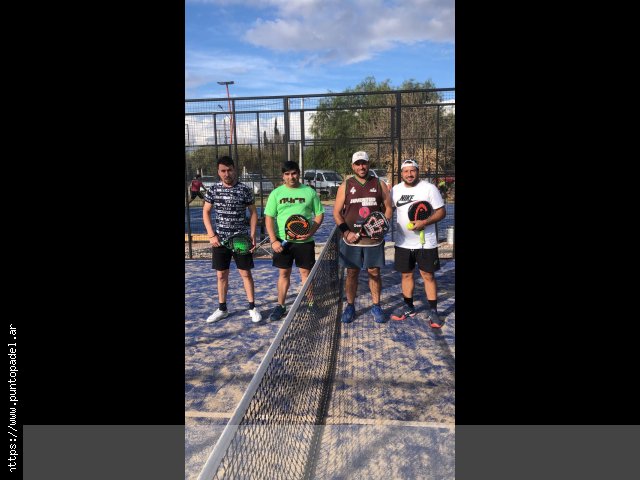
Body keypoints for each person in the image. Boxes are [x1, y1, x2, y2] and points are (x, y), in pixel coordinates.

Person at [333, 151, 393, 324]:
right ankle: (350, 306)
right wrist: (346, 232)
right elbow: (336, 212)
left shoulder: (379, 184)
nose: (361, 167)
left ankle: (376, 305)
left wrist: (381, 225)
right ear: (353, 166)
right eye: (358, 164)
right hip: (351, 240)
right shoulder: (345, 185)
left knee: (374, 272)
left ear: (368, 164)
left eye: (364, 163)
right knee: (352, 273)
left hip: (373, 240)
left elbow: (389, 208)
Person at [202, 156, 262, 323]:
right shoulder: (213, 190)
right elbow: (206, 211)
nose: (226, 173)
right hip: (220, 240)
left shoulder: (244, 190)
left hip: (241, 239)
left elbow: (253, 213)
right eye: (223, 171)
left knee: (245, 273)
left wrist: (252, 235)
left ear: (234, 170)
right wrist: (211, 234)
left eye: (229, 170)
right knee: (221, 275)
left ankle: (252, 308)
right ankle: (222, 309)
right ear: (218, 172)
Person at [264, 161, 324, 321]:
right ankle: (281, 306)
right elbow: (269, 218)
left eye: (294, 173)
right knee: (283, 273)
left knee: (306, 273)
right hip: (282, 242)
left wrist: (310, 232)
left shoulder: (309, 192)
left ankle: (311, 304)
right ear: (283, 176)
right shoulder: (276, 193)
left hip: (305, 242)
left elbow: (319, 214)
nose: (291, 177)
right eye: (287, 174)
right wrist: (273, 241)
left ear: (299, 173)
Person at [391, 159, 447, 328]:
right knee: (406, 275)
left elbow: (441, 212)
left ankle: (433, 311)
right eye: (406, 171)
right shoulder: (395, 190)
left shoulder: (429, 188)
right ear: (401, 173)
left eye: (412, 171)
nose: (409, 174)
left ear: (417, 171)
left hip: (426, 243)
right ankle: (409, 307)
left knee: (428, 276)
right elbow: (387, 209)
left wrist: (425, 222)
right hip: (403, 243)